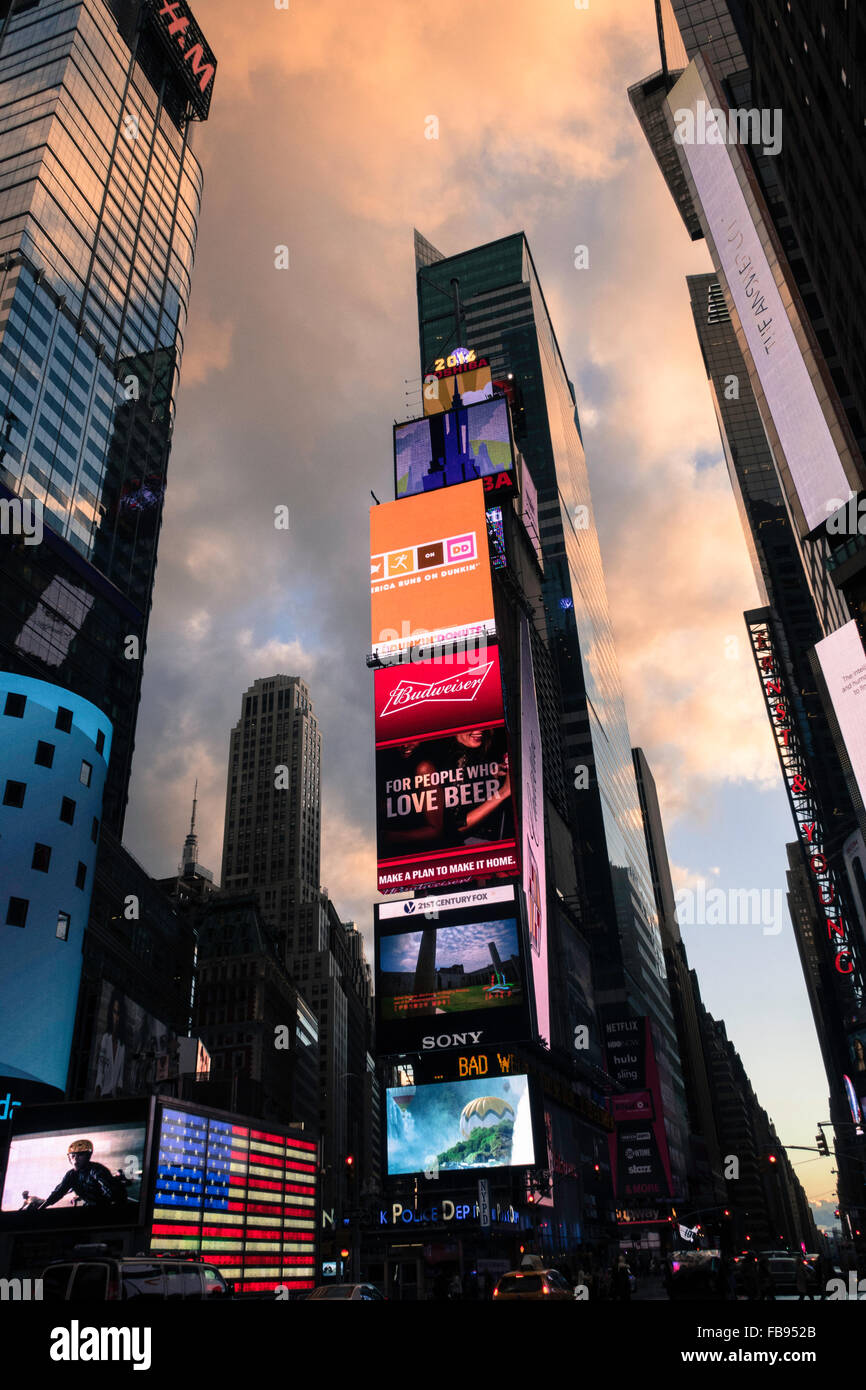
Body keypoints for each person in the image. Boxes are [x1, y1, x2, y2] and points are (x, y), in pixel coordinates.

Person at [39, 1139, 123, 1209]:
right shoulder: (71, 1174)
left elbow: (110, 1191)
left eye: (80, 1155)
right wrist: (41, 1208)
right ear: (69, 1158)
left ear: (88, 1156)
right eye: (73, 1156)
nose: (75, 1159)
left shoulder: (96, 1169)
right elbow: (58, 1192)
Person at [94, 990, 126, 1097]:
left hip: (115, 1096)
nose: (116, 1018)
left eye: (118, 1014)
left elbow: (120, 1075)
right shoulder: (105, 1039)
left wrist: (120, 1089)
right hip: (104, 1094)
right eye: (114, 1012)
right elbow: (100, 1066)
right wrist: (98, 1086)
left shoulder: (122, 1046)